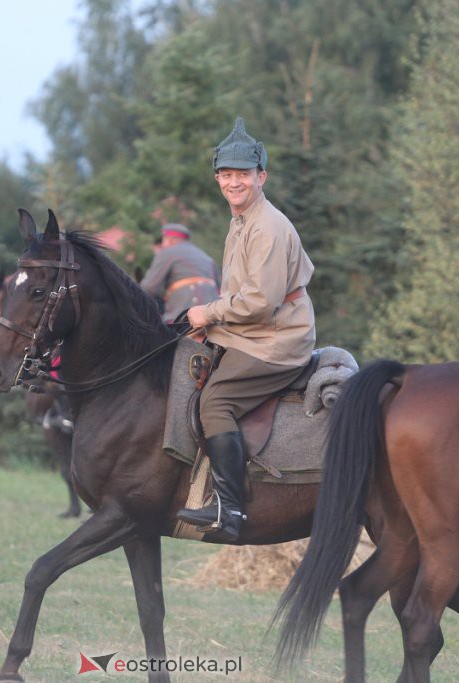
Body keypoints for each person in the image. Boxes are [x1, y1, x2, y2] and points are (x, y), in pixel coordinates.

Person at [175, 117, 316, 543]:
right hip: (252, 331)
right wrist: (209, 326)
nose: (233, 183)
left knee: (214, 403)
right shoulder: (240, 220)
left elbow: (259, 302)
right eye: (226, 175)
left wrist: (209, 315)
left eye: (243, 175)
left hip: (277, 340)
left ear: (261, 177)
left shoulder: (268, 227)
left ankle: (231, 509)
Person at [139, 223, 221, 323]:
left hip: (183, 312)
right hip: (212, 314)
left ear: (169, 240)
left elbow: (149, 287)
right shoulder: (207, 257)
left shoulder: (167, 252)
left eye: (163, 240)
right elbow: (219, 289)